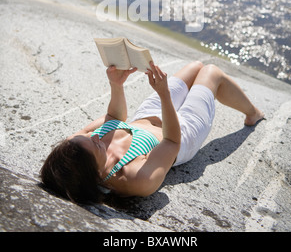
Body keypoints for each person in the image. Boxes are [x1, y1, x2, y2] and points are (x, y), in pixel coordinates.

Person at [40, 60, 264, 204]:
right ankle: (253, 113)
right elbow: (171, 141)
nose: (96, 135)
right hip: (184, 131)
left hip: (148, 114)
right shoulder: (135, 178)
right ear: (95, 174)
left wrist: (116, 85)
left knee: (196, 66)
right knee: (211, 72)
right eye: (96, 144)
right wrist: (164, 95)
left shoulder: (75, 146)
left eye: (90, 136)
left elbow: (114, 119)